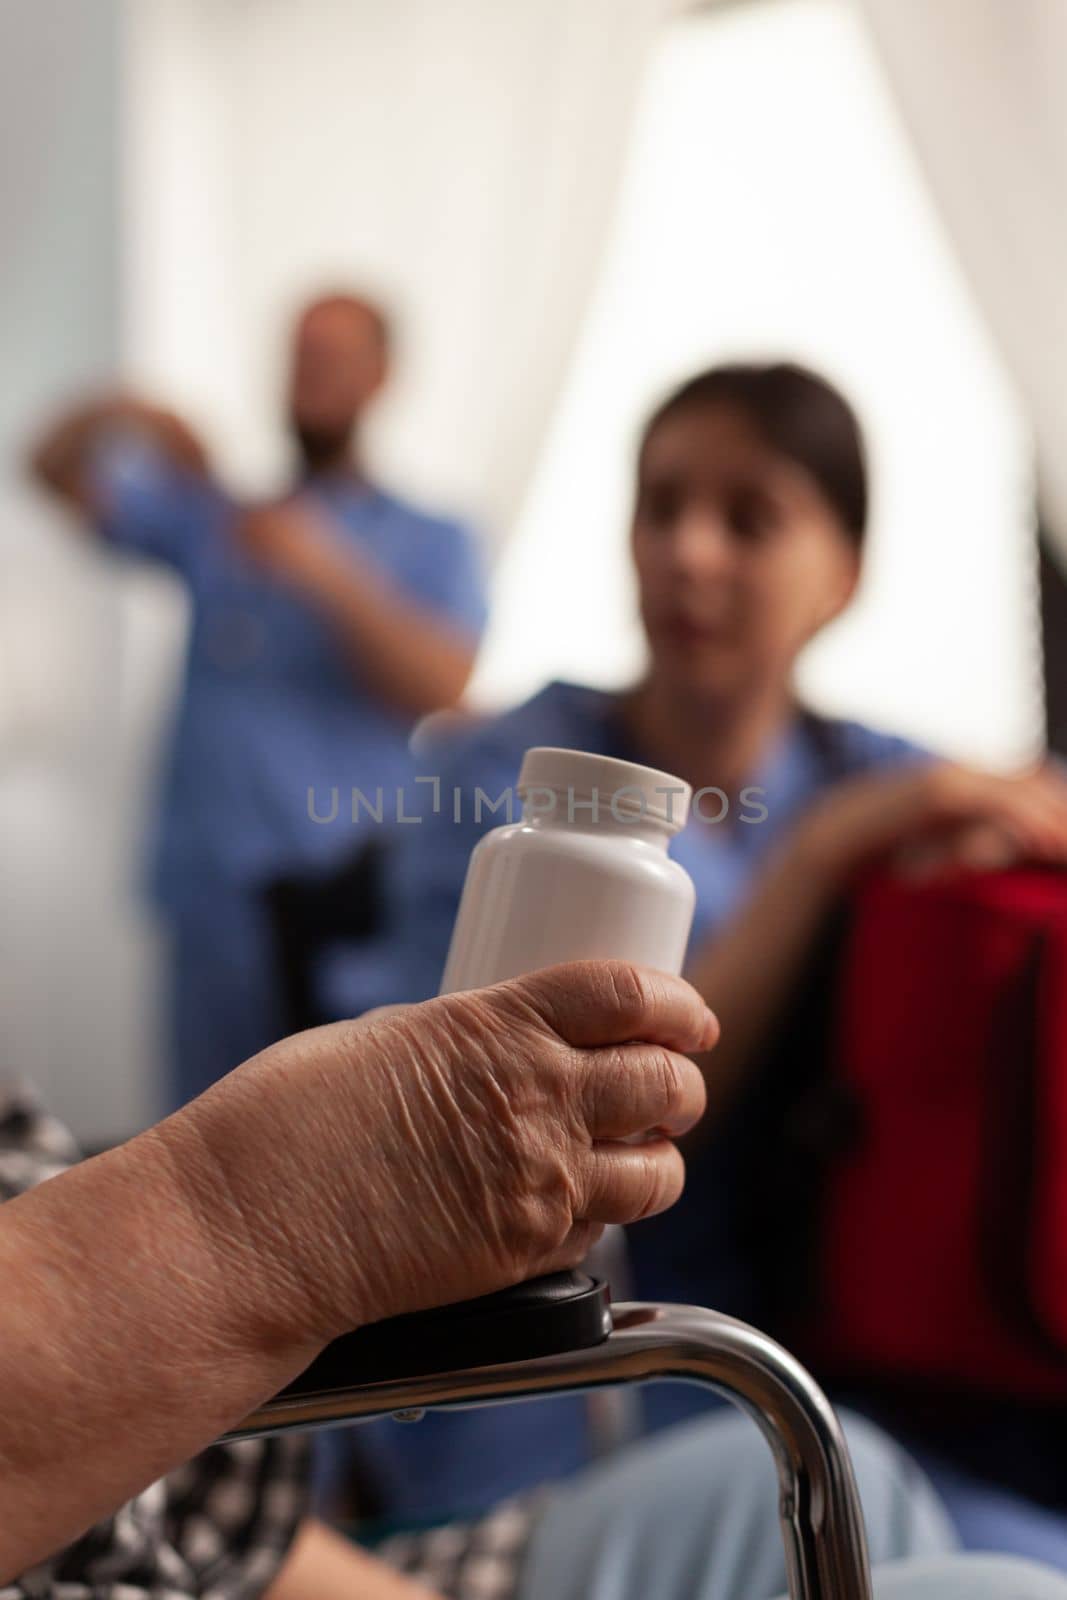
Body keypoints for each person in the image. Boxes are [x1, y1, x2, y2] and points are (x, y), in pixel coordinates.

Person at [319, 362, 1067, 1522]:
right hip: (549, 1361)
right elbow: (518, 1125)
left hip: (811, 1338)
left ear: (842, 576)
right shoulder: (515, 779)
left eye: (747, 518)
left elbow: (1025, 810)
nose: (687, 552)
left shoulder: (864, 770)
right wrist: (818, 861)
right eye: (659, 506)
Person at [1, 966, 1064, 1600]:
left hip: (188, 1544)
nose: (689, 570)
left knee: (846, 1474)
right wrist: (245, 1220)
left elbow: (153, 1504)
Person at [26, 293, 487, 1105]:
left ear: (379, 378)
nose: (311, 378)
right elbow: (49, 471)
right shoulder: (221, 519)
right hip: (209, 904)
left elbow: (444, 685)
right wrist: (129, 409)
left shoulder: (431, 537)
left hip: (342, 905)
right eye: (300, 356)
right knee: (190, 1151)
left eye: (334, 358)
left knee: (334, 1154)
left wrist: (324, 570)